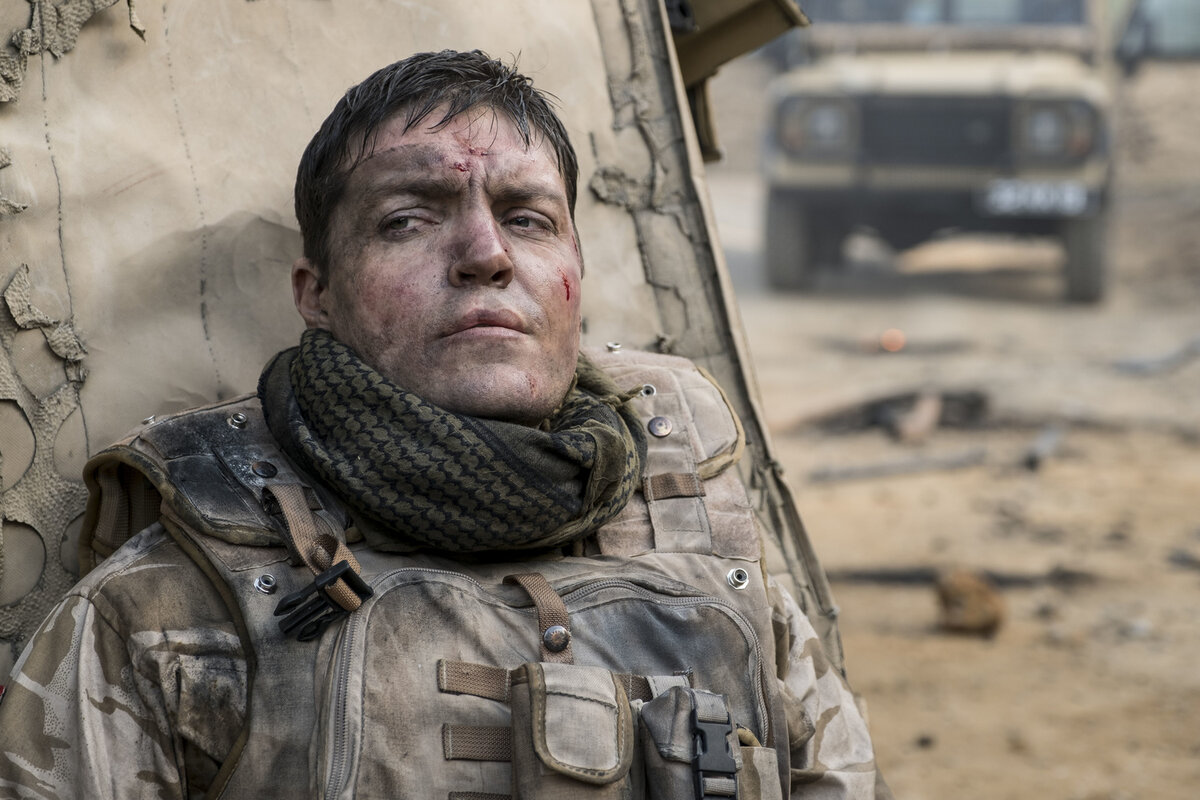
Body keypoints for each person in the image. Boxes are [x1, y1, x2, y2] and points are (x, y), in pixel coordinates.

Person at [0, 50, 880, 798]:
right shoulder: (166, 613)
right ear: (318, 294)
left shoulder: (715, 556)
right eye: (408, 220)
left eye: (528, 219)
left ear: (575, 270)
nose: (487, 255)